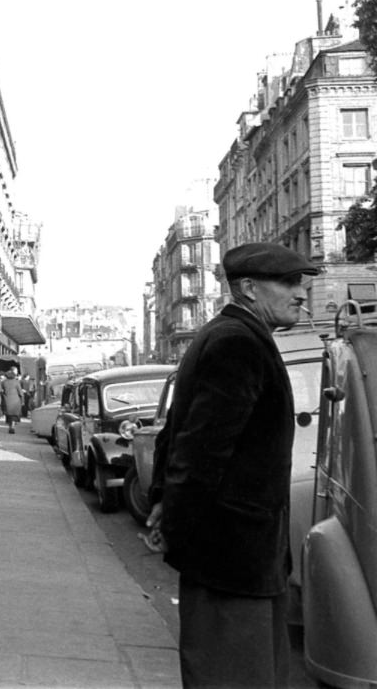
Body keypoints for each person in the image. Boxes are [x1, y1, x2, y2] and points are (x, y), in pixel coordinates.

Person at [148, 242, 319, 688]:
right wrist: (177, 526)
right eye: (287, 282)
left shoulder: (231, 336)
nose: (301, 293)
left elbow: (176, 433)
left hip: (238, 558)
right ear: (247, 288)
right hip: (232, 561)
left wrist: (166, 506)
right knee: (237, 676)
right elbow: (198, 450)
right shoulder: (237, 344)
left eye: (300, 282)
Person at [0, 367, 24, 434]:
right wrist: (22, 400)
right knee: (14, 415)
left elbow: (1, 391)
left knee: (9, 415)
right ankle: (12, 427)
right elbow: (20, 392)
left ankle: (10, 426)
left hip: (7, 400)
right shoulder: (16, 382)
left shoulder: (4, 382)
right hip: (16, 401)